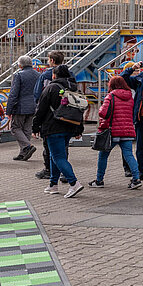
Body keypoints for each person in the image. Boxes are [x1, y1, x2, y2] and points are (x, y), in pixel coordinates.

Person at [32, 64, 85, 198]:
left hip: (53, 128)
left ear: (54, 75)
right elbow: (79, 110)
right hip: (69, 126)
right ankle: (53, 185)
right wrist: (79, 129)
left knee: (58, 157)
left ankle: (74, 183)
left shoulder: (51, 88)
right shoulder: (74, 88)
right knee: (54, 156)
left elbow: (40, 110)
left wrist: (35, 127)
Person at [90, 75, 140, 190]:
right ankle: (136, 179)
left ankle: (99, 180)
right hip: (127, 130)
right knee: (129, 155)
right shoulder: (130, 97)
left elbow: (103, 113)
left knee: (103, 156)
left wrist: (101, 108)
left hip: (113, 131)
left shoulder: (111, 96)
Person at [33, 51, 66, 180]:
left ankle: (49, 170)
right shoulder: (70, 74)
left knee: (48, 145)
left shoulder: (46, 75)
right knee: (63, 146)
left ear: (51, 60)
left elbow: (37, 95)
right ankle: (63, 171)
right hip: (66, 114)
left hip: (49, 116)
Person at [7, 55, 39, 161]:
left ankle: (27, 146)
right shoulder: (38, 75)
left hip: (21, 107)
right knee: (27, 129)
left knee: (15, 128)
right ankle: (23, 153)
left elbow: (13, 94)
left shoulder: (18, 75)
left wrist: (9, 110)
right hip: (33, 106)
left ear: (20, 65)